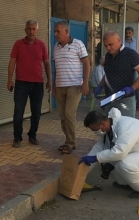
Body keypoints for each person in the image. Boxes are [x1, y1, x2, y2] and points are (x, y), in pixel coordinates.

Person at [79, 109, 139, 198]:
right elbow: (98, 148)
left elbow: (120, 152)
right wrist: (82, 168)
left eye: (95, 130)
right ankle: (127, 183)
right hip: (135, 154)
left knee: (124, 163)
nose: (95, 132)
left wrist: (96, 158)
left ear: (103, 124)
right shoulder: (107, 130)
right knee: (111, 162)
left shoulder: (127, 126)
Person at [7, 20, 51, 148]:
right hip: (21, 84)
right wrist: (9, 80)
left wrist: (49, 80)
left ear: (37, 30)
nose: (31, 31)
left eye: (33, 29)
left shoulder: (42, 45)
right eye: (29, 29)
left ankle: (32, 135)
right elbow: (12, 63)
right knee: (18, 112)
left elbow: (47, 64)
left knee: (36, 112)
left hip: (37, 84)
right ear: (25, 30)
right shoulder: (18, 44)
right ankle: (17, 137)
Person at [52, 20, 90, 154]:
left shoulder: (78, 44)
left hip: (75, 86)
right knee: (62, 116)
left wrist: (85, 82)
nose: (55, 34)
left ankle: (70, 143)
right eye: (55, 31)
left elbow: (86, 63)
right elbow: (56, 68)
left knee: (69, 114)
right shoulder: (55, 47)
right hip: (60, 86)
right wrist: (54, 85)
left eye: (58, 31)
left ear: (67, 32)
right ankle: (68, 141)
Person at [94, 31, 139, 118]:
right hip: (110, 99)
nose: (108, 48)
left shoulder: (130, 54)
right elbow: (108, 74)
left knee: (126, 127)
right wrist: (100, 85)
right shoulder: (108, 56)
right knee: (111, 127)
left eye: (110, 44)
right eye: (105, 45)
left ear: (119, 40)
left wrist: (132, 88)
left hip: (125, 99)